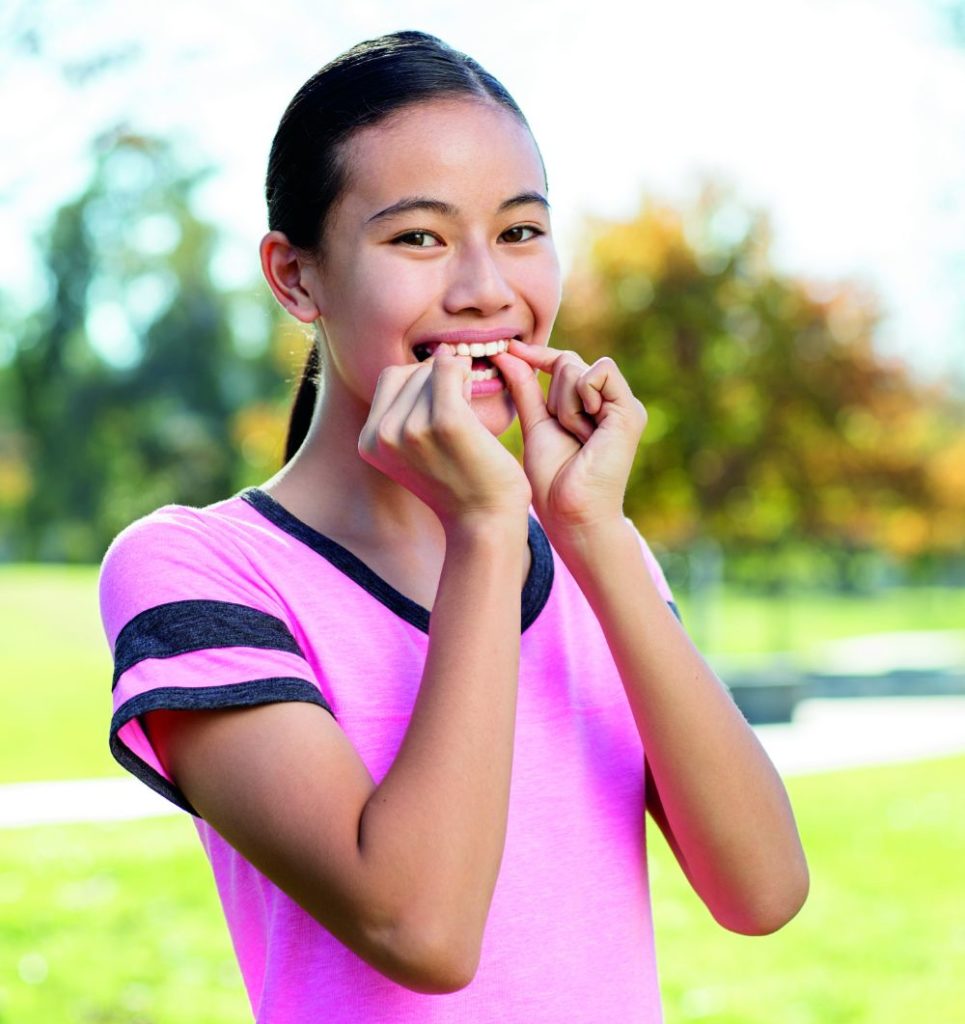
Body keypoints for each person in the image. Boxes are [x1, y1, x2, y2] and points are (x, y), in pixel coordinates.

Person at [100, 30, 808, 1023]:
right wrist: (484, 528)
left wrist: (591, 536)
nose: (485, 287)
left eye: (520, 231)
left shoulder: (590, 550)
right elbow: (421, 931)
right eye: (417, 238)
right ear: (295, 277)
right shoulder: (197, 570)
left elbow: (762, 890)